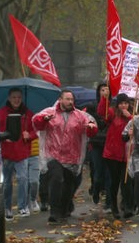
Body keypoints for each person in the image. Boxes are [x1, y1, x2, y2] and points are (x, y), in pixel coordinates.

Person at [33, 90, 97, 224]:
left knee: (69, 186)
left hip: (72, 157)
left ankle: (64, 208)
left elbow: (91, 129)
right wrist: (43, 120)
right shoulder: (50, 113)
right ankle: (54, 212)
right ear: (60, 100)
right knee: (56, 179)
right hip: (53, 156)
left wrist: (91, 127)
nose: (70, 102)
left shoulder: (79, 116)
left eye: (71, 100)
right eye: (67, 99)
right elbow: (37, 124)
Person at [0, 88, 38, 220]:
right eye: (14, 97)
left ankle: (22, 206)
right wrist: (3, 136)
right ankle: (7, 208)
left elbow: (35, 131)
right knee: (7, 182)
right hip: (6, 153)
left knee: (23, 179)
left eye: (19, 98)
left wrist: (29, 135)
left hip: (22, 152)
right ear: (9, 98)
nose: (16, 100)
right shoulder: (1, 113)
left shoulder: (28, 114)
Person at [98, 93, 134, 219]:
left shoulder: (132, 116)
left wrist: (130, 118)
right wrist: (105, 98)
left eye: (126, 103)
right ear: (118, 104)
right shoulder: (113, 114)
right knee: (114, 182)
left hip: (127, 154)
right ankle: (113, 206)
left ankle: (127, 206)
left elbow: (138, 128)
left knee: (127, 181)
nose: (124, 106)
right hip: (113, 154)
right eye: (121, 103)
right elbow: (103, 112)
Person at [86, 83, 112, 211]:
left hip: (109, 144)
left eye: (106, 90)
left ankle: (108, 201)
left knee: (108, 173)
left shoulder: (113, 107)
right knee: (98, 172)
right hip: (96, 143)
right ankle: (96, 189)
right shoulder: (92, 106)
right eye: (102, 90)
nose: (104, 92)